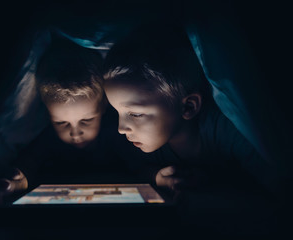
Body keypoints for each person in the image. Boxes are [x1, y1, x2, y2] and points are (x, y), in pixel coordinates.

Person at [102, 23, 281, 236]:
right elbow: (135, 168)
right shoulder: (138, 141)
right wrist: (157, 177)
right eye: (117, 112)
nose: (122, 128)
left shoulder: (225, 129)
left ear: (188, 106)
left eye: (136, 114)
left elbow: (278, 184)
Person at [0, 35, 139, 199]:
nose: (75, 133)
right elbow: (31, 161)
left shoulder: (114, 132)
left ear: (103, 106)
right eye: (61, 123)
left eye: (86, 121)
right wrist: (18, 181)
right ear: (48, 114)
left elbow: (138, 164)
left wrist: (157, 176)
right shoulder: (49, 136)